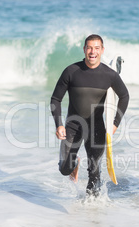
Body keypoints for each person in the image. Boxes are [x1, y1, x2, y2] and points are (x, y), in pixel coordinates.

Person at [50, 34, 130, 197]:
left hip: (97, 128)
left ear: (102, 50)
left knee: (94, 175)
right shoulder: (71, 71)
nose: (92, 51)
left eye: (96, 48)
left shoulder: (110, 75)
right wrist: (59, 124)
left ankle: (91, 215)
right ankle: (75, 163)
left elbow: (124, 96)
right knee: (65, 169)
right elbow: (55, 99)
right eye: (89, 47)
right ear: (84, 49)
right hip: (73, 127)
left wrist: (115, 124)